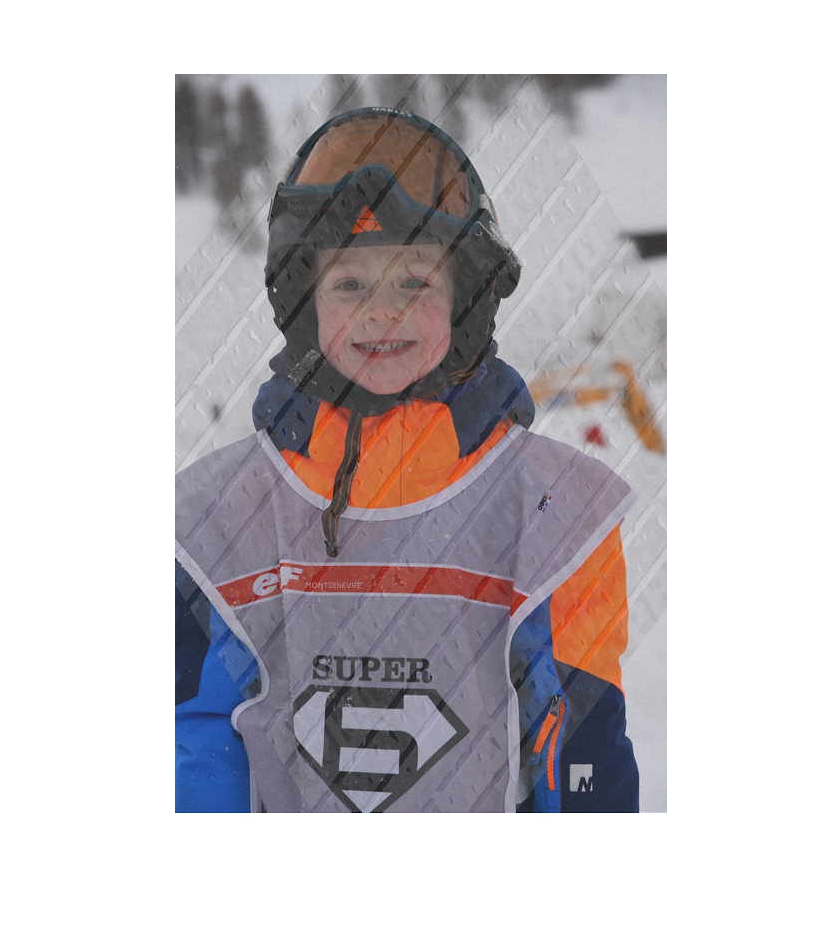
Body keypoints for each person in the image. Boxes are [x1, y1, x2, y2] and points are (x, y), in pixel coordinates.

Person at [176, 107, 639, 812]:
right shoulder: (214, 520)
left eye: (413, 283)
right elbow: (198, 742)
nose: (381, 313)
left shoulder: (556, 514)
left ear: (465, 300)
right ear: (303, 303)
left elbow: (582, 745)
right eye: (350, 284)